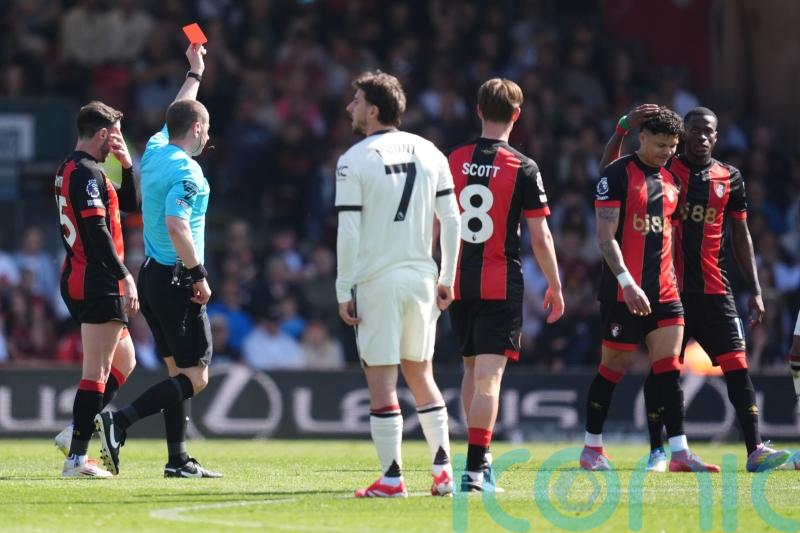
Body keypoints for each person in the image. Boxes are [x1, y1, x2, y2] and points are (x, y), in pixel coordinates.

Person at [600, 106, 791, 473]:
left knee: (738, 367)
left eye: (709, 132)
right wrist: (622, 129)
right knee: (663, 371)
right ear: (683, 133)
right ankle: (659, 451)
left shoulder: (729, 177)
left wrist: (755, 287)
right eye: (695, 131)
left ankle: (756, 449)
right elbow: (611, 171)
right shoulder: (666, 166)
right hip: (669, 288)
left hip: (716, 289)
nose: (702, 137)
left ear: (716, 137)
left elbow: (740, 234)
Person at [94, 43, 221, 479]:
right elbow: (177, 225)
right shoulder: (189, 173)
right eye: (206, 128)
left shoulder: (154, 148)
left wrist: (195, 72)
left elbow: (176, 111)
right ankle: (120, 420)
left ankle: (178, 459)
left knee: (175, 372)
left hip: (150, 275)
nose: (208, 135)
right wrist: (199, 274)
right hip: (178, 279)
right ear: (199, 129)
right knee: (197, 376)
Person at [335, 71, 461, 497]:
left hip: (378, 280)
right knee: (421, 373)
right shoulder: (432, 152)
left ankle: (392, 477)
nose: (350, 107)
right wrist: (448, 276)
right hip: (423, 278)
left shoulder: (354, 159)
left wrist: (342, 289)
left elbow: (349, 233)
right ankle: (444, 472)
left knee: (382, 381)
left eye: (355, 100)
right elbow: (453, 220)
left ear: (373, 109)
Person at [585, 107, 720, 473]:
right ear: (641, 138)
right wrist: (627, 283)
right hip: (621, 292)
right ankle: (592, 447)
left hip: (664, 292)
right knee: (613, 367)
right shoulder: (616, 175)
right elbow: (605, 238)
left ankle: (678, 452)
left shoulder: (673, 179)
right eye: (660, 144)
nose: (666, 152)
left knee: (668, 370)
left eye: (672, 146)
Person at [447, 78, 564, 492]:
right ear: (517, 115)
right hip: (500, 283)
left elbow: (435, 225)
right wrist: (554, 284)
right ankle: (475, 472)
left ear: (478, 110)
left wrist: (437, 274)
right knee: (489, 380)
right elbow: (540, 235)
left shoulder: (453, 159)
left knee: (470, 370)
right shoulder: (523, 167)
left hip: (459, 282)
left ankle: (481, 458)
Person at [55, 101, 140, 477]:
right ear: (103, 133)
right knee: (98, 371)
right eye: (115, 136)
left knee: (126, 361)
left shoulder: (70, 169)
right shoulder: (87, 174)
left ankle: (75, 431)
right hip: (96, 281)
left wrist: (126, 167)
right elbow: (98, 232)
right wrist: (125, 275)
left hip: (82, 276)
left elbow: (130, 210)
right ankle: (76, 457)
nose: (116, 144)